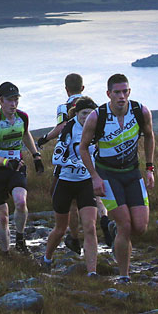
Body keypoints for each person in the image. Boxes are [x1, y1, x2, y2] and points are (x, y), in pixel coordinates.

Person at [79, 73, 156, 283]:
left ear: (129, 92)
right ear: (109, 94)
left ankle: (112, 229)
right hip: (107, 175)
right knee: (126, 225)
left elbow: (149, 135)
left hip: (132, 173)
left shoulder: (140, 111)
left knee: (140, 227)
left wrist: (149, 169)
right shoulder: (97, 116)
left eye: (125, 91)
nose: (121, 96)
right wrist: (94, 177)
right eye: (117, 92)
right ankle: (124, 276)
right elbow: (83, 148)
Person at [39, 73, 114, 253]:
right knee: (95, 193)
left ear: (66, 89)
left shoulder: (63, 107)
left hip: (70, 162)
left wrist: (45, 138)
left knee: (70, 200)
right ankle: (104, 218)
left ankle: (74, 237)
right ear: (82, 88)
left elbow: (62, 128)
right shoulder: (91, 106)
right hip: (93, 159)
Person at [0, 82, 42, 253]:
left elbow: (25, 133)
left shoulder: (23, 117)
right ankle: (5, 253)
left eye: (16, 100)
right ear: (0, 100)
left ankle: (20, 239)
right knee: (3, 216)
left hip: (16, 167)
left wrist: (36, 155)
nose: (13, 104)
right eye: (9, 100)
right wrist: (6, 162)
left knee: (21, 202)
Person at [42, 96, 100, 275]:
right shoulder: (69, 128)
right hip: (65, 183)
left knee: (90, 226)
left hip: (85, 183)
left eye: (90, 114)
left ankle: (92, 272)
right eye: (83, 114)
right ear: (77, 113)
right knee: (60, 229)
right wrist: (76, 163)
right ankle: (46, 259)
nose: (87, 117)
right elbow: (56, 157)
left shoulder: (98, 128)